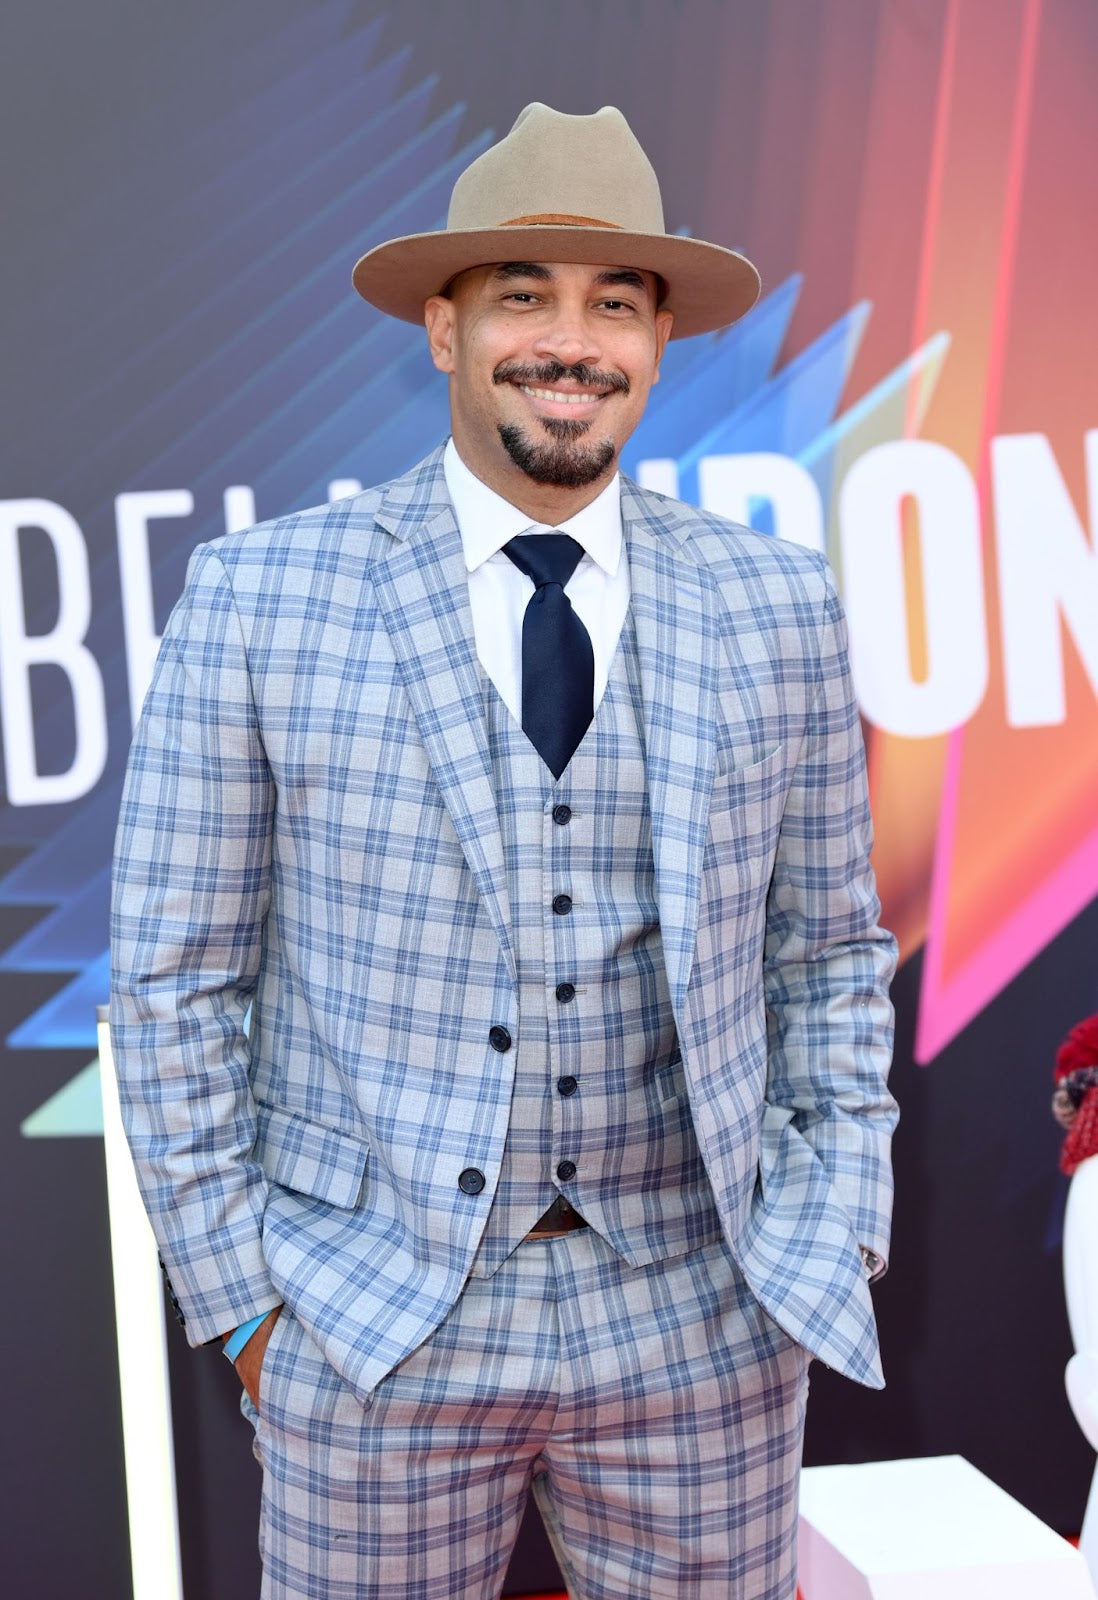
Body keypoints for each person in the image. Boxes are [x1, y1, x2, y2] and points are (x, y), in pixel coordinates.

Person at [110, 103, 898, 1600]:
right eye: (521, 294)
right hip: (369, 1318)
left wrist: (826, 1239)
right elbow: (171, 979)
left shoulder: (777, 604)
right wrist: (249, 1304)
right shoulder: (261, 599)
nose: (570, 342)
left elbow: (831, 955)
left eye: (614, 303)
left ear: (659, 343)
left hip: (701, 1311)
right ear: (442, 328)